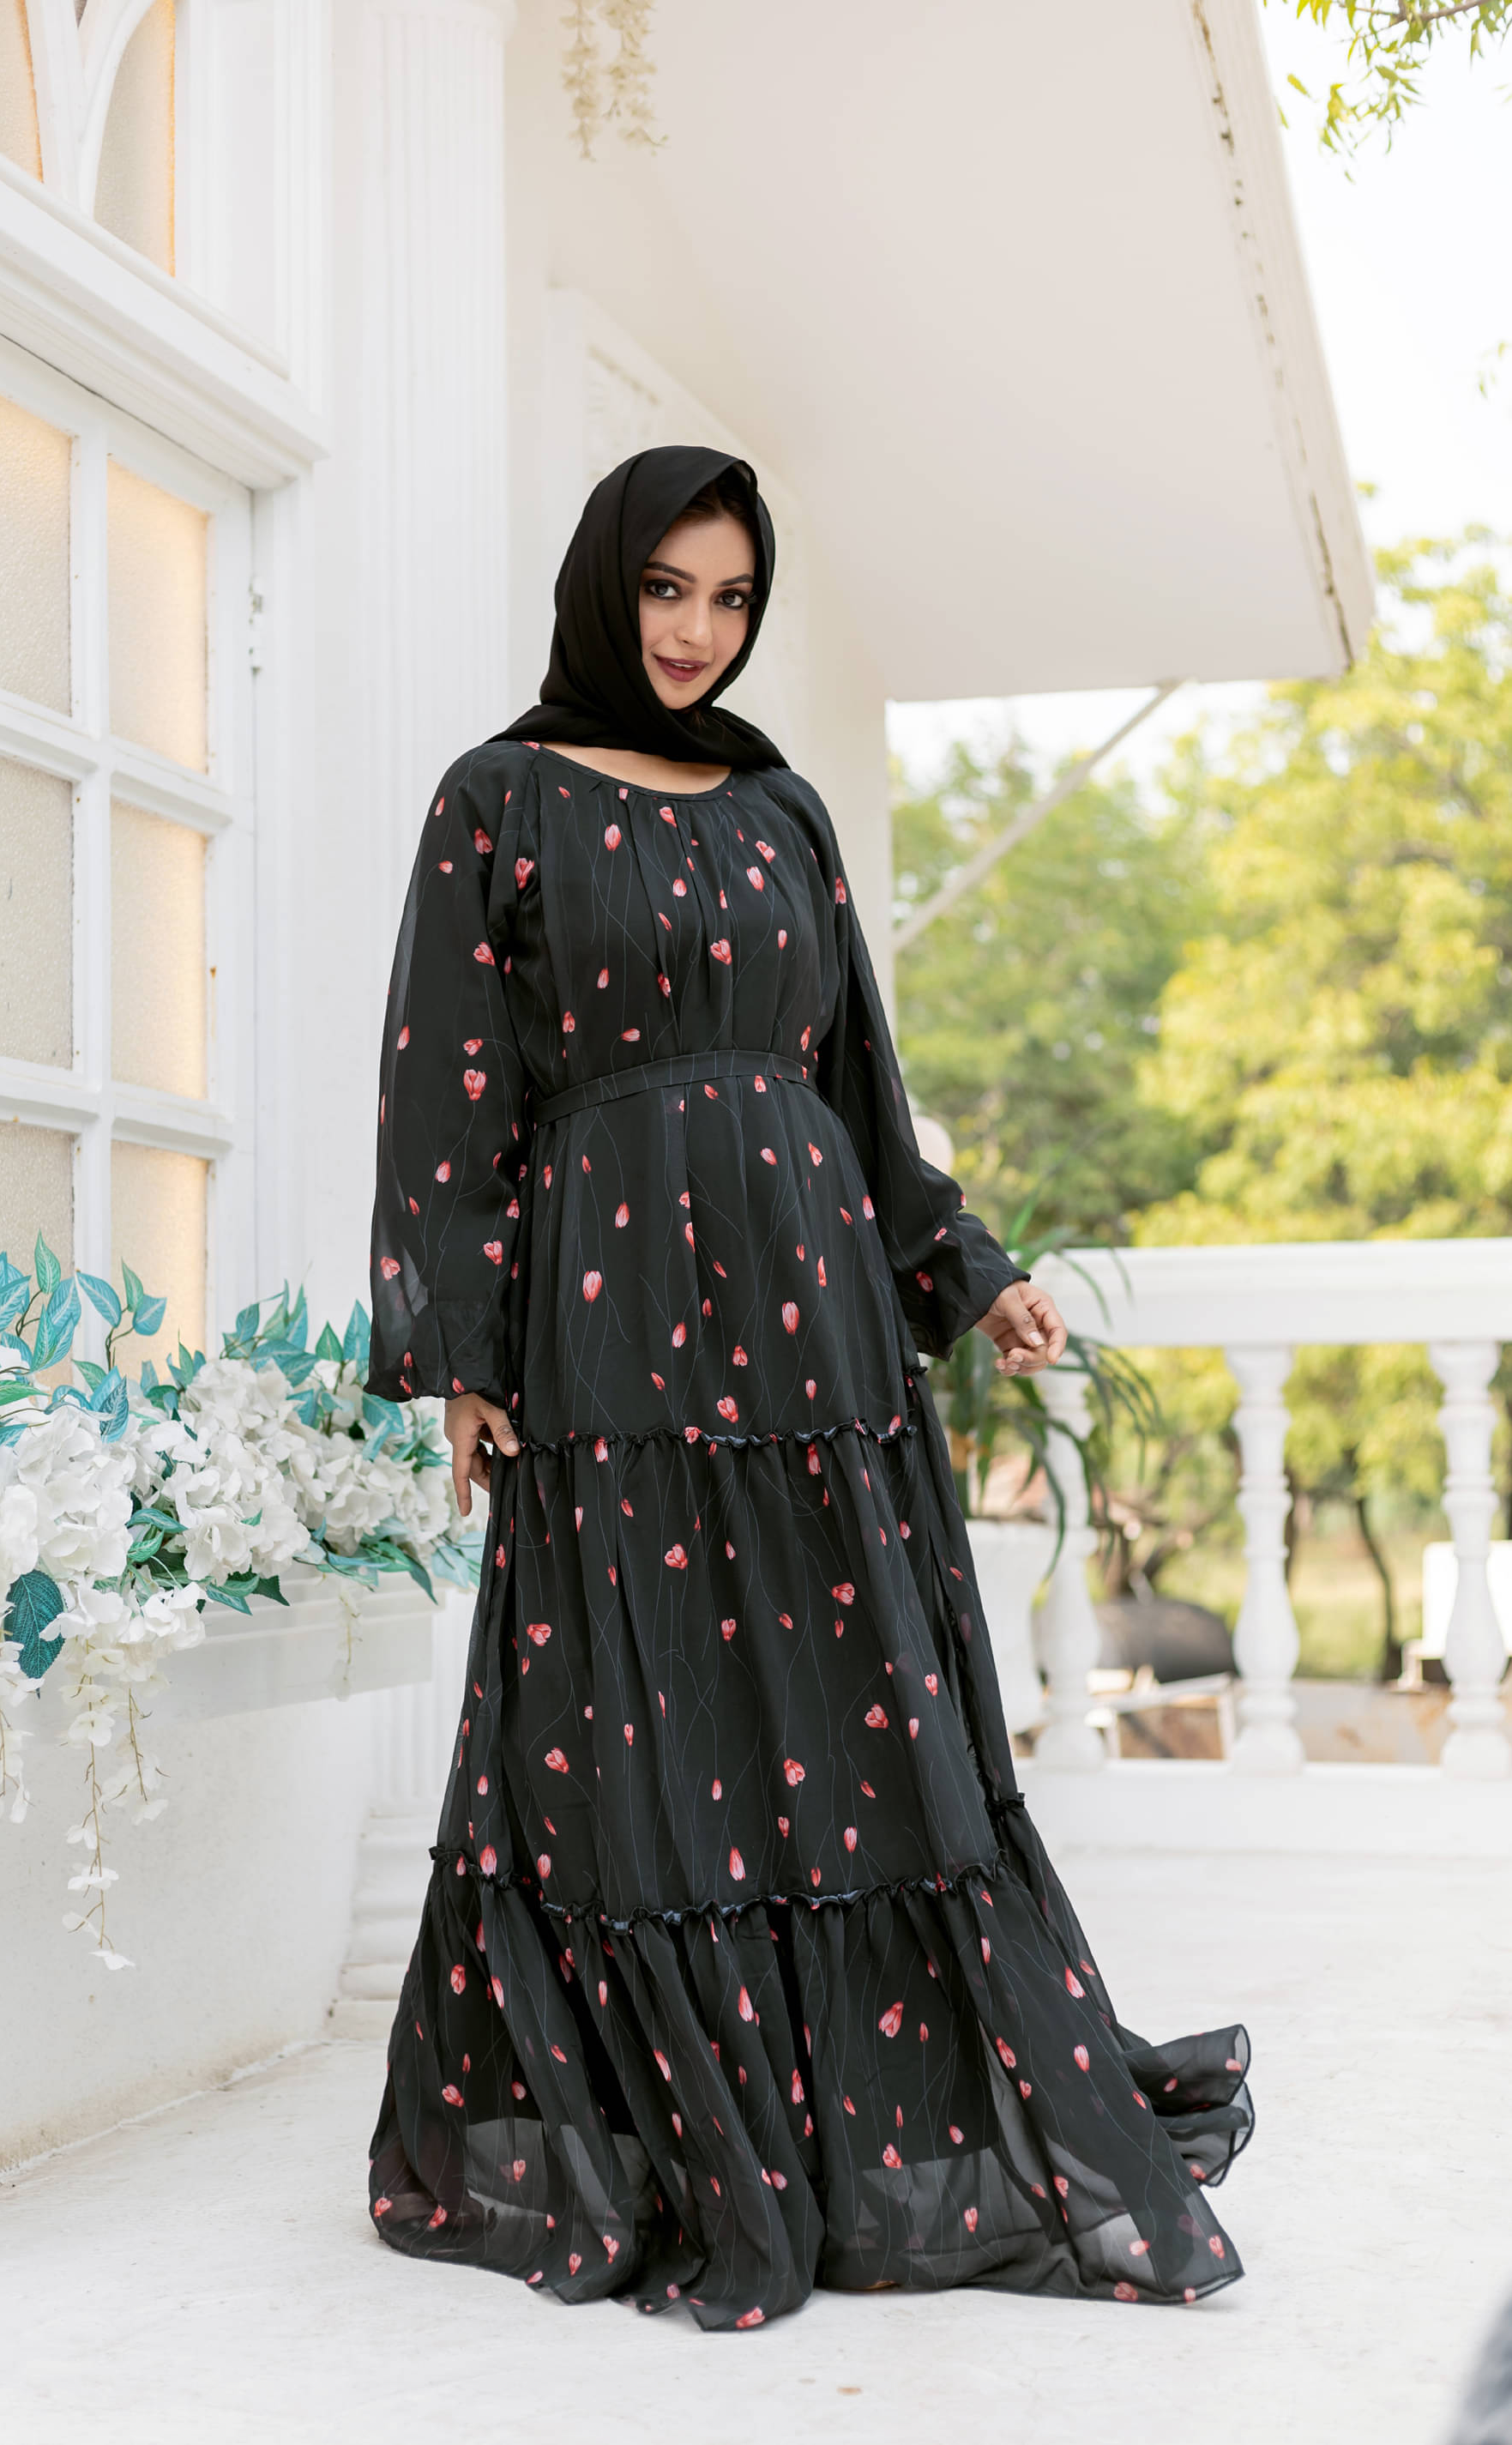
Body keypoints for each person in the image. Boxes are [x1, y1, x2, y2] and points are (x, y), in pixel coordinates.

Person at [363, 444, 1252, 2329]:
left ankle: (864, 2117)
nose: (696, 630)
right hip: (608, 1332)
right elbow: (448, 1092)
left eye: (731, 598)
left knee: (844, 1704)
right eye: (665, 588)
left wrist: (971, 1274)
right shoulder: (497, 800)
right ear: (603, 584)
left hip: (811, 1316)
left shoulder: (781, 810)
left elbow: (859, 1088)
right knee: (636, 1715)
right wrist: (461, 1354)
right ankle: (683, 2122)